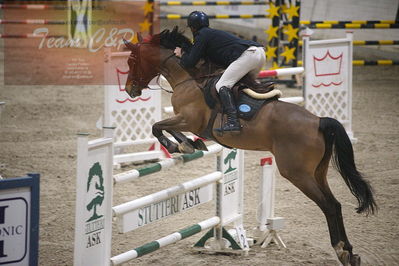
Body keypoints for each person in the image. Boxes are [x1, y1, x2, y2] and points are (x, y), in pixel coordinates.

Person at [174, 11, 266, 133]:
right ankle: (251, 115)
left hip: (248, 55)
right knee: (246, 85)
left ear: (193, 27)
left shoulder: (202, 35)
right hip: (259, 53)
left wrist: (181, 54)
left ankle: (233, 122)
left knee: (222, 85)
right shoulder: (209, 34)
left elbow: (190, 62)